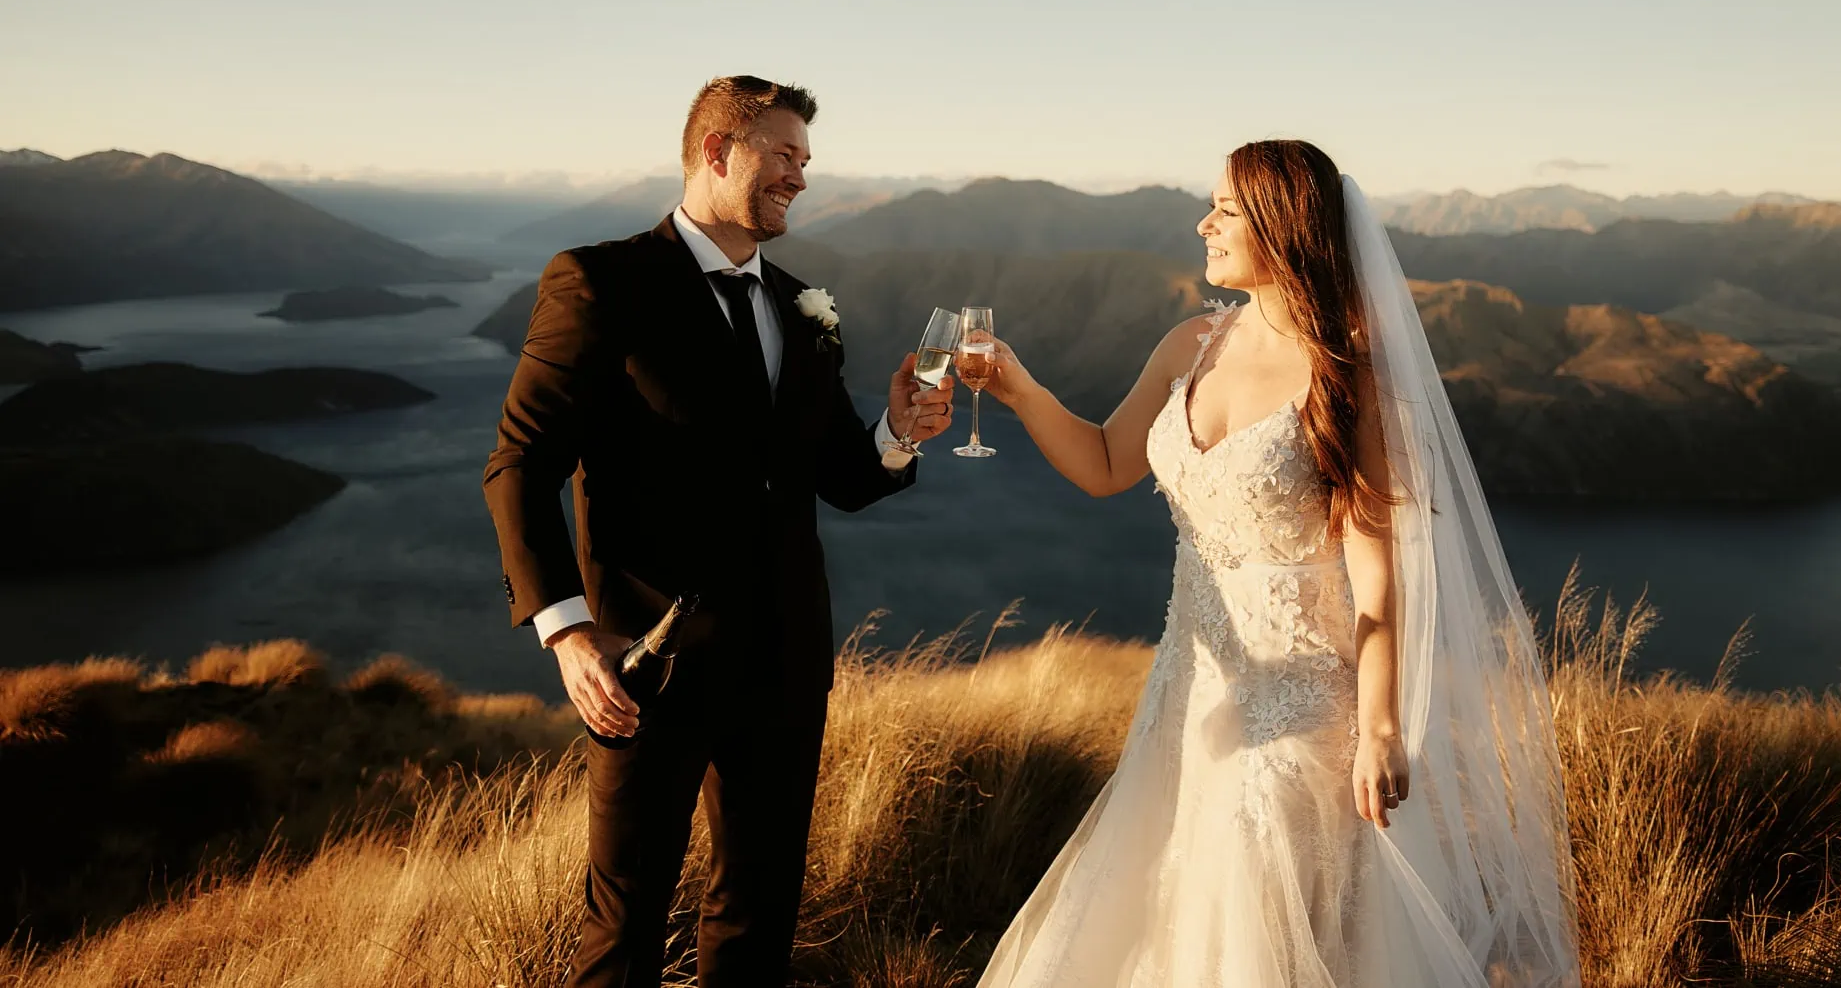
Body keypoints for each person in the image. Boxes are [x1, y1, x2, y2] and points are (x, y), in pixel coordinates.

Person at [974, 139, 1580, 987]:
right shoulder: (1193, 340)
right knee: (1168, 915)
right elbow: (1110, 460)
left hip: (1301, 718)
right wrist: (1020, 389)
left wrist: (1379, 729)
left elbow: (1377, 577)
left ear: (1283, 227)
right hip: (1186, 698)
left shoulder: (1346, 377)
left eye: (1225, 208)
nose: (1203, 222)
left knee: (1268, 937)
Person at [482, 75, 956, 988]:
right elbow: (520, 466)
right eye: (784, 156)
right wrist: (569, 631)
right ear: (716, 151)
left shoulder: (803, 306)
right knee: (625, 918)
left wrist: (897, 432)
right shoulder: (601, 281)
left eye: (806, 161)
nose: (801, 179)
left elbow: (839, 482)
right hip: (645, 661)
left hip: (785, 656)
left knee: (760, 905)